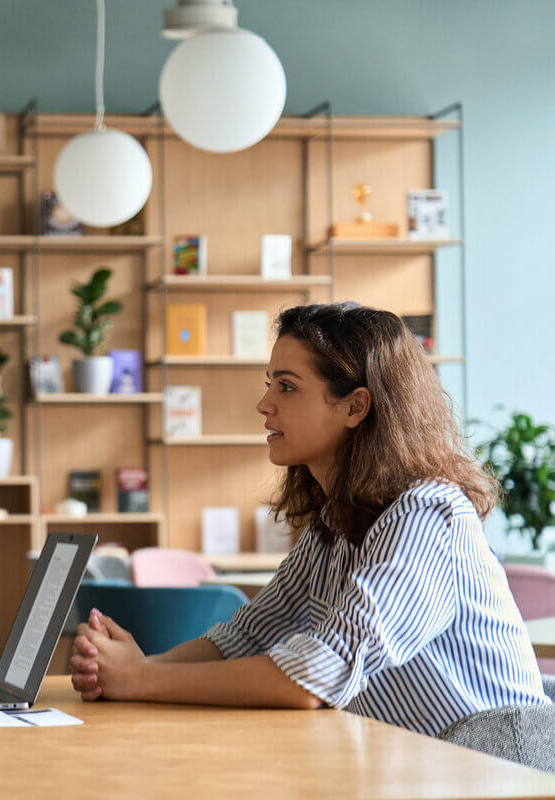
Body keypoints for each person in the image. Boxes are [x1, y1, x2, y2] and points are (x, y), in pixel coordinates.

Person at [71, 302, 550, 735]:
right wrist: (133, 665)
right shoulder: (335, 523)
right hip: (418, 770)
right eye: (270, 385)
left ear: (355, 406)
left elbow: (314, 678)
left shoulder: (429, 515)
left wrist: (141, 679)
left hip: (497, 771)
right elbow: (246, 638)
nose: (264, 404)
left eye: (287, 387)